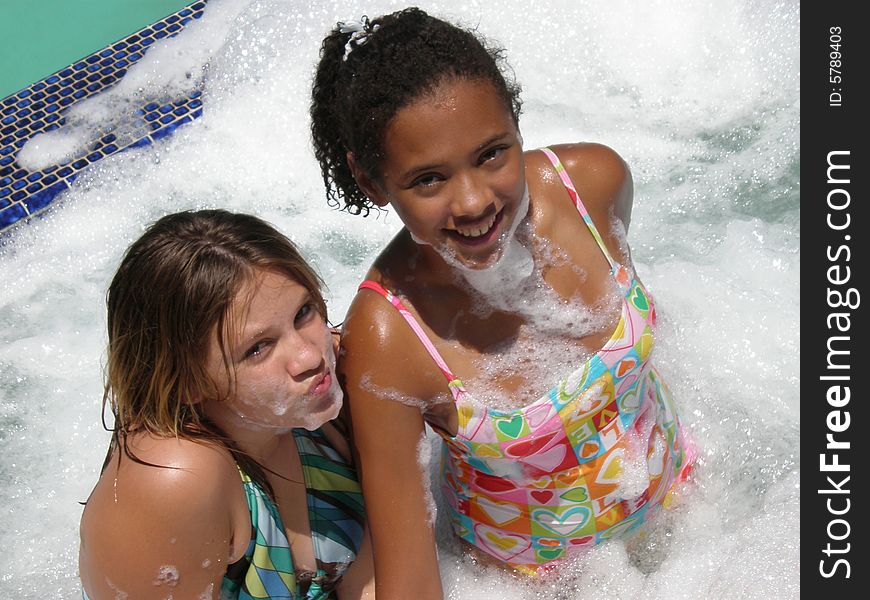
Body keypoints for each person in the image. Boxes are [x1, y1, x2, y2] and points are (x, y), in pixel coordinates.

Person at [310, 7, 695, 598]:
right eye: (429, 180)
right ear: (372, 181)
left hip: (691, 517)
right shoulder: (388, 338)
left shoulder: (593, 184)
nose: (473, 202)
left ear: (516, 122)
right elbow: (410, 578)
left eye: (492, 153)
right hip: (533, 584)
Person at [78, 210, 374, 600]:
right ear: (189, 383)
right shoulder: (174, 482)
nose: (310, 356)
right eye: (258, 348)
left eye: (303, 312)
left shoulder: (325, 384)